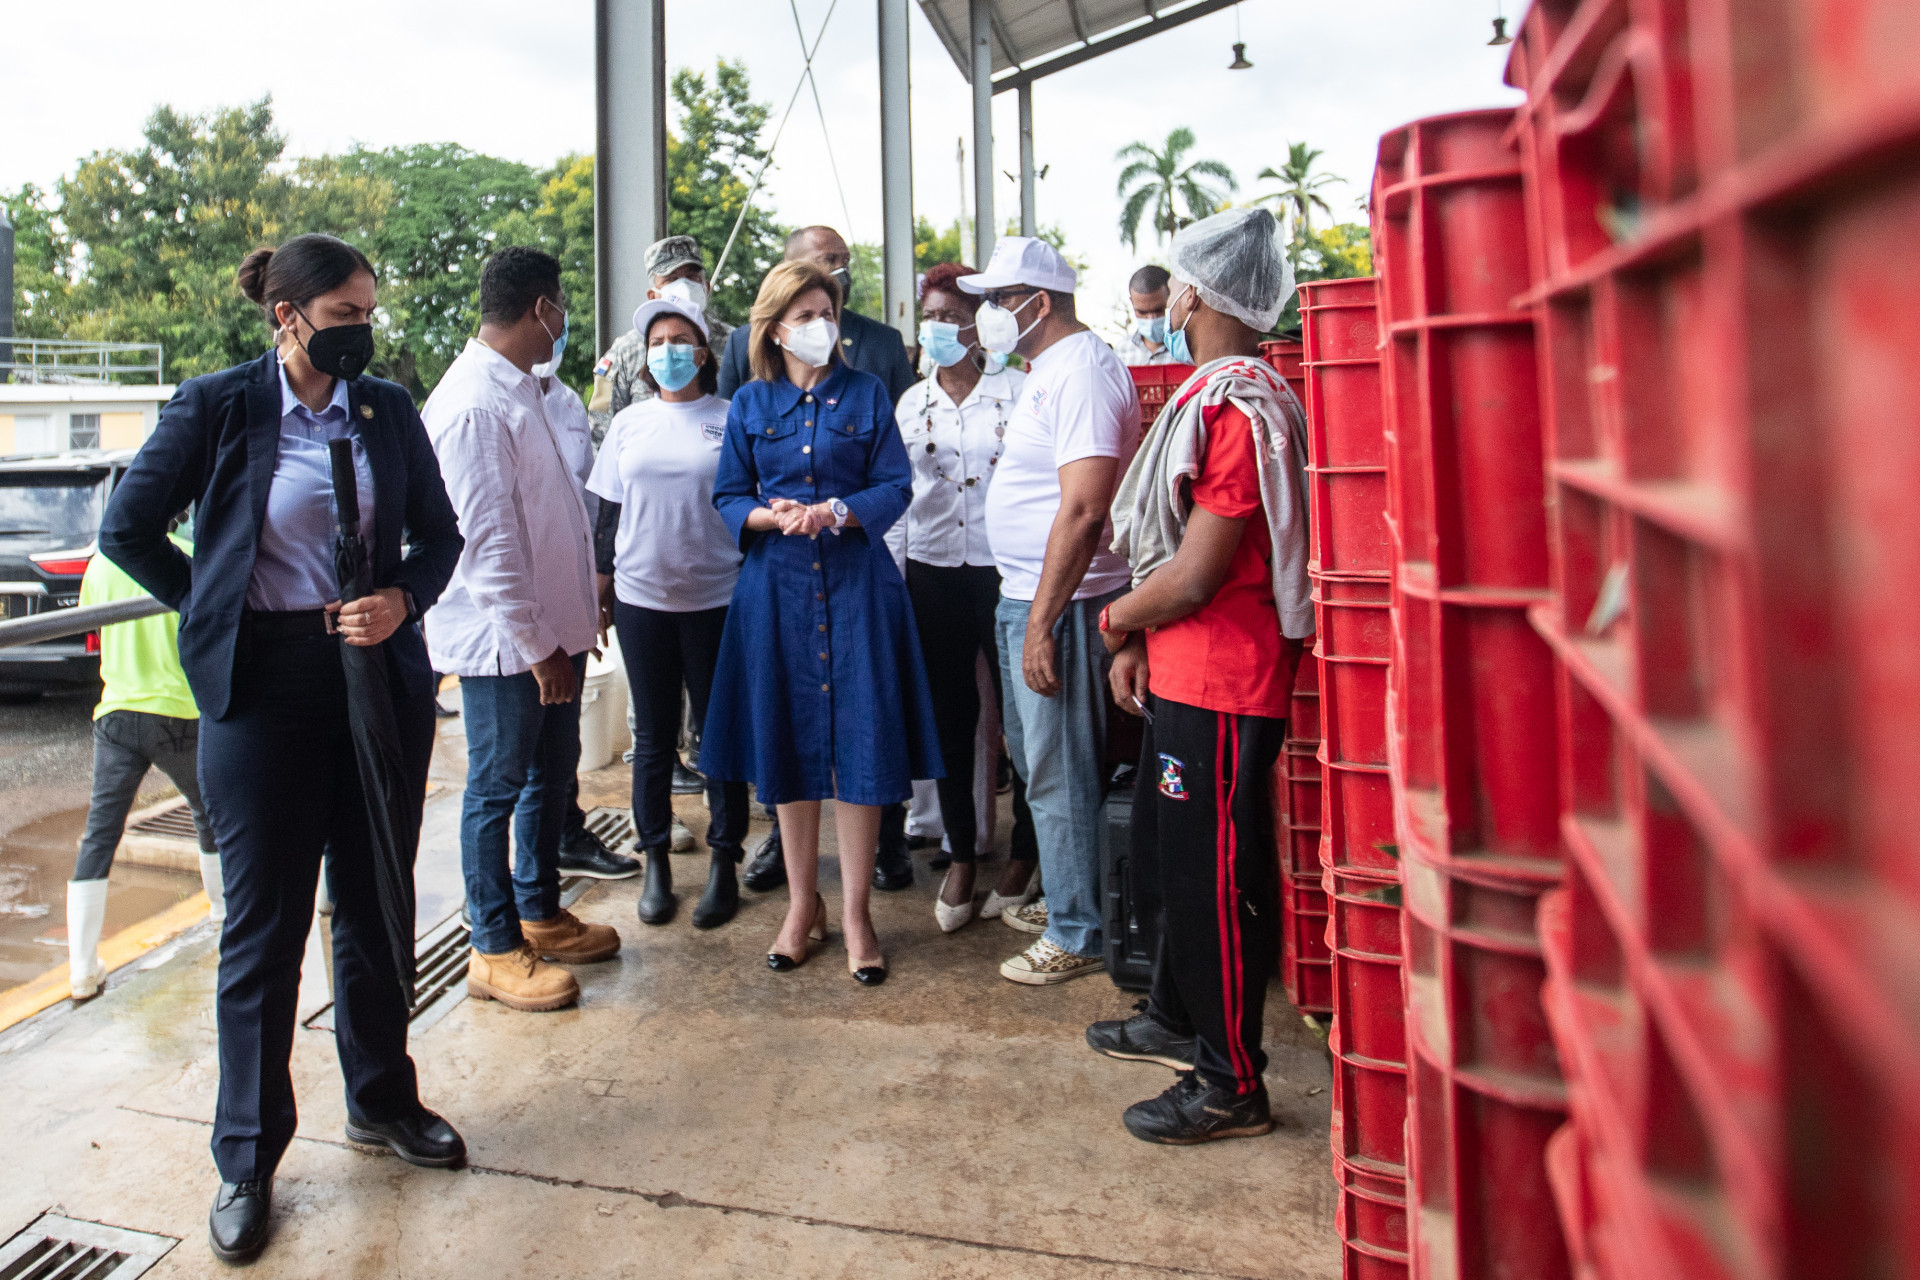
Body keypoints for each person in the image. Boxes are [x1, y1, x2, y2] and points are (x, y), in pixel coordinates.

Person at [99, 233, 467, 1263]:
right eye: (345, 314)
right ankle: (247, 1155)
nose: (362, 331)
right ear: (288, 316)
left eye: (369, 313)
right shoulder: (217, 405)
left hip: (374, 679)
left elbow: (441, 536)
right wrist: (213, 606)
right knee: (263, 931)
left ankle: (382, 1098)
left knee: (375, 902)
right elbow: (128, 528)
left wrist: (402, 598)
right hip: (261, 689)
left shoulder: (385, 409)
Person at [1093, 207, 1312, 1144]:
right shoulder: (1213, 396)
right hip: (1184, 671)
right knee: (1167, 860)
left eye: (1179, 283)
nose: (1170, 301)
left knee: (1213, 878)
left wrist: (1115, 620)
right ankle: (1176, 1014)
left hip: (1225, 682)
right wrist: (1142, 641)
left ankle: (1229, 1082)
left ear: (1197, 295)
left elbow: (1194, 573)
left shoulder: (1236, 409)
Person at [700, 259, 941, 986]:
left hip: (858, 587)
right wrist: (772, 517)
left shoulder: (866, 393)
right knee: (787, 745)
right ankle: (803, 907)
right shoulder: (750, 402)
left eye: (826, 313)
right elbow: (728, 497)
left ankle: (859, 914)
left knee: (863, 750)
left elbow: (895, 485)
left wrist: (835, 511)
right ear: (774, 329)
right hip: (775, 591)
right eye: (803, 316)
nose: (819, 326)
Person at [423, 247, 617, 1015]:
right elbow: (488, 544)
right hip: (509, 645)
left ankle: (538, 909)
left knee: (549, 775)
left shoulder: (521, 387)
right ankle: (494, 945)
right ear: (541, 308)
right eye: (560, 304)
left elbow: (550, 513)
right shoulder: (476, 402)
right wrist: (539, 648)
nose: (563, 319)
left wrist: (575, 622)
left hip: (551, 633)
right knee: (497, 785)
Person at [964, 235, 1141, 985]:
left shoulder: (1085, 371)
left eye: (998, 300)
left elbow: (1086, 507)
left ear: (1038, 302)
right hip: (1028, 595)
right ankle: (1074, 894)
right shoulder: (1051, 369)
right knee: (1041, 764)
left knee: (1060, 769)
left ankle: (1079, 930)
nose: (987, 315)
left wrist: (1041, 621)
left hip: (1064, 603)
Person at [884, 262, 1040, 933]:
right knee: (950, 719)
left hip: (1005, 572)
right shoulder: (910, 403)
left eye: (953, 316)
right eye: (932, 317)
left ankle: (1027, 852)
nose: (939, 328)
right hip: (933, 571)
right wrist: (895, 580)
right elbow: (898, 500)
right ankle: (963, 854)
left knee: (1020, 718)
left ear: (980, 327)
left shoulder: (1018, 393)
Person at [588, 297, 749, 929]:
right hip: (642, 603)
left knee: (718, 737)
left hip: (717, 601)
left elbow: (750, 505)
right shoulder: (630, 422)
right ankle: (654, 856)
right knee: (653, 739)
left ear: (703, 353)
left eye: (680, 340)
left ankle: (724, 858)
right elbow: (609, 510)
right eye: (657, 343)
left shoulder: (731, 419)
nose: (668, 352)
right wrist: (599, 585)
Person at [66, 520, 224, 1002]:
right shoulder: (186, 556)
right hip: (179, 714)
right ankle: (222, 916)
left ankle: (81, 969)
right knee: (209, 815)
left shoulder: (102, 561)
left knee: (100, 834)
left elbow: (93, 627)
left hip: (117, 713)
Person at [542, 314, 647, 882]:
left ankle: (564, 837)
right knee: (508, 767)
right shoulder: (481, 399)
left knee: (561, 744)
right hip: (521, 602)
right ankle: (513, 892)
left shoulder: (563, 401)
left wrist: (596, 577)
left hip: (572, 586)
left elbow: (592, 497)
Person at [588, 234, 734, 444]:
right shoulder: (626, 351)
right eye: (671, 279)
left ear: (706, 287)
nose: (684, 286)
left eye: (692, 277)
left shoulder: (735, 344)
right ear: (653, 295)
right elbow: (600, 429)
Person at [1117, 265, 1179, 366]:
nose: (1151, 319)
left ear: (1172, 298)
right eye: (1142, 312)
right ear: (1132, 302)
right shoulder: (1121, 351)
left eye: (1158, 310)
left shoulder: (1188, 351)